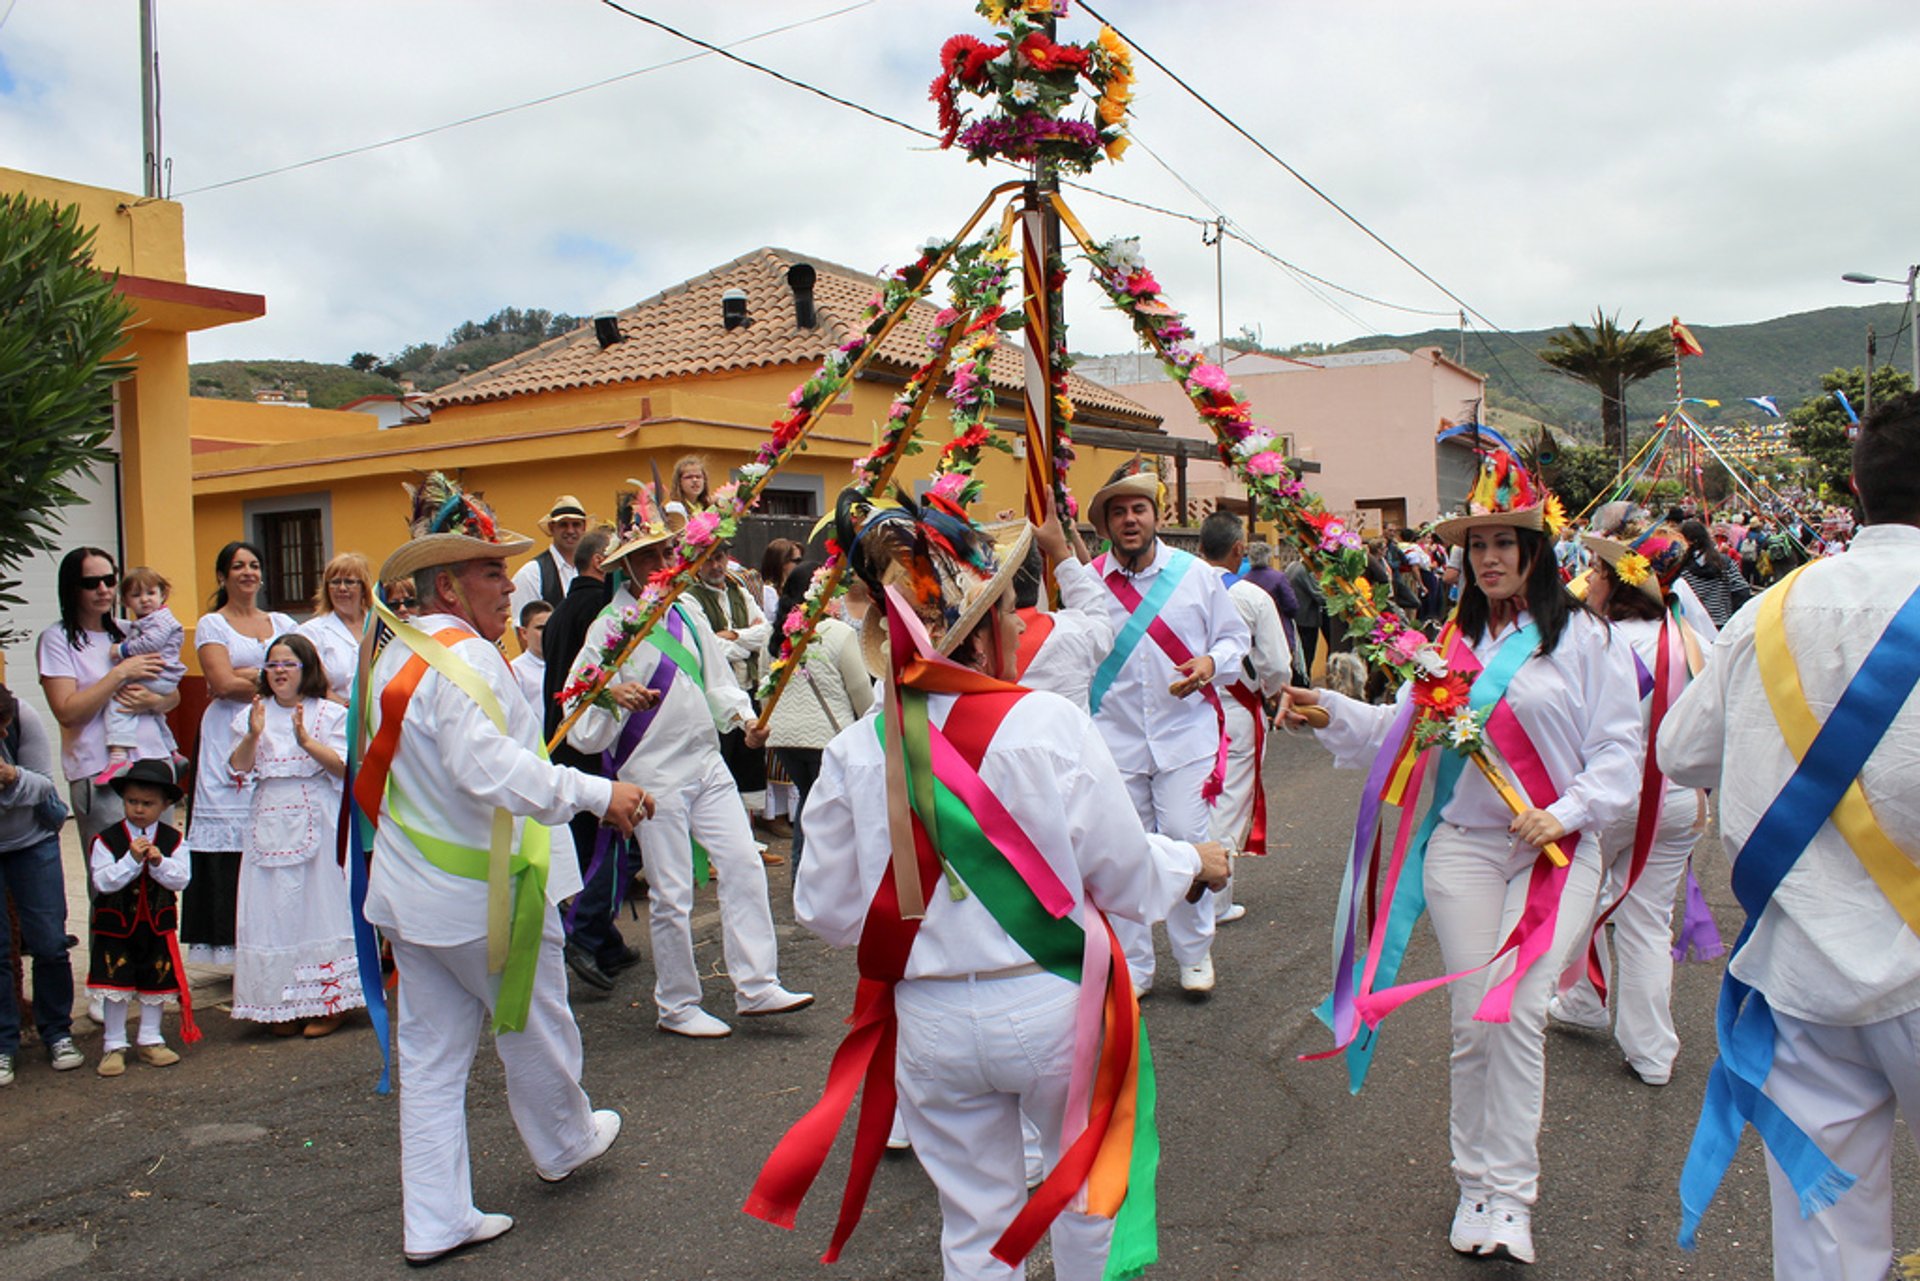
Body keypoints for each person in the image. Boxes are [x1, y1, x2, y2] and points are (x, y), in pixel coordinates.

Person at [752, 487, 1229, 1279]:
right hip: (1051, 1003)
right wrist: (1192, 864)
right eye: (1006, 609)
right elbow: (1122, 875)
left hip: (931, 1021)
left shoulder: (854, 753)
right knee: (1085, 1199)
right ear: (977, 637)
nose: (1014, 623)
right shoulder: (1046, 726)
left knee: (975, 1228)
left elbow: (829, 913)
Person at [1285, 446, 1641, 1266]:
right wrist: (1329, 710)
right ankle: (1471, 1183)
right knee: (1470, 1018)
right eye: (1476, 544)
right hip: (1464, 850)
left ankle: (1512, 1194)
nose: (1487, 557)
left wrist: (1565, 812)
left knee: (1515, 1013)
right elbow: (1397, 733)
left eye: (1503, 543)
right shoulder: (1443, 643)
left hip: (1557, 853)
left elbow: (1621, 750)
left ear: (1534, 553)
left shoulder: (1585, 639)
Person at [358, 473, 651, 1265]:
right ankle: (564, 1140)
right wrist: (600, 792)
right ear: (447, 583)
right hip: (488, 895)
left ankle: (435, 1218)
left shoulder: (394, 659)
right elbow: (490, 771)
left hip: (414, 896)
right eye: (492, 571)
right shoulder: (470, 663)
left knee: (428, 1060)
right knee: (535, 1021)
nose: (508, 582)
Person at [1659, 393, 1920, 1281]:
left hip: (1805, 976)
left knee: (1827, 1246)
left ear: (1856, 487)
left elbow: (1681, 750)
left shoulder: (1768, 612)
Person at [565, 500, 812, 1039]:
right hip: (654, 776)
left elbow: (720, 679)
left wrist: (745, 718)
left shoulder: (688, 611)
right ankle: (676, 1004)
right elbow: (575, 720)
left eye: (664, 553)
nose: (659, 564)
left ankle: (757, 985)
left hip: (706, 761)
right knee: (673, 891)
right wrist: (611, 695)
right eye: (647, 556)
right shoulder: (610, 630)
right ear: (623, 567)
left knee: (744, 866)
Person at [1080, 462, 1250, 996]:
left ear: (1155, 516)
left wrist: (1209, 664)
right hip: (1115, 741)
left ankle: (1194, 955)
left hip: (1185, 739)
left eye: (1138, 509)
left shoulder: (1196, 575)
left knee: (1187, 842)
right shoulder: (1087, 586)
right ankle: (1133, 965)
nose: (1130, 520)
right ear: (1105, 526)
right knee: (1125, 853)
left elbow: (1234, 640)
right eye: (1118, 513)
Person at [1548, 531, 1705, 1089]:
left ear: (1619, 582)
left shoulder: (1598, 641)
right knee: (1646, 921)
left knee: (1572, 898)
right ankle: (1651, 1050)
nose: (1588, 577)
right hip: (1673, 798)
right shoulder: (1685, 632)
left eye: (1596, 569)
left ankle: (1573, 998)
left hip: (1608, 796)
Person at [227, 633, 362, 1037]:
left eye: (288, 664)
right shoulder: (254, 713)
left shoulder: (328, 713)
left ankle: (327, 1001)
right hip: (268, 815)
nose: (279, 672)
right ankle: (279, 1003)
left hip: (317, 814)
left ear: (306, 669)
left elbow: (343, 768)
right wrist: (252, 735)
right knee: (273, 909)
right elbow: (238, 768)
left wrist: (306, 741)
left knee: (318, 904)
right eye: (272, 665)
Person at [185, 541, 298, 966]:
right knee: (230, 841)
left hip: (275, 732)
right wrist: (274, 676)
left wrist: (249, 675)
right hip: (225, 738)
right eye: (238, 566)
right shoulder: (213, 624)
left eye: (254, 564)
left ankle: (274, 934)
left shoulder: (283, 621)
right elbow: (221, 681)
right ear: (222, 576)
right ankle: (230, 949)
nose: (247, 572)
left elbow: (304, 670)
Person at [538, 527, 631, 993]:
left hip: (562, 738)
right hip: (594, 739)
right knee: (614, 843)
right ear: (600, 563)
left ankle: (607, 939)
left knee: (592, 844)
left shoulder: (557, 615)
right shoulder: (603, 612)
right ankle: (585, 932)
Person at [38, 547, 180, 849]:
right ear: (72, 588)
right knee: (112, 875)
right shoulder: (57, 639)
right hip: (100, 770)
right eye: (92, 583)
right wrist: (120, 674)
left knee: (161, 871)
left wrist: (151, 701)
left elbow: (173, 695)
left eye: (109, 579)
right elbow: (67, 712)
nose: (104, 589)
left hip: (153, 762)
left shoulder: (133, 632)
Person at [1197, 511, 1291, 927]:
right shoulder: (1251, 597)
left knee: (1184, 800)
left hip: (1180, 709)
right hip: (1233, 711)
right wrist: (1269, 694)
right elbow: (1276, 664)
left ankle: (1176, 887)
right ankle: (1212, 901)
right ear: (1240, 550)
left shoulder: (1180, 590)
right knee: (1228, 799)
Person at [87, 758, 196, 1077]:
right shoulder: (106, 840)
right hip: (115, 927)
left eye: (147, 804)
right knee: (114, 983)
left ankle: (151, 1039)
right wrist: (132, 860)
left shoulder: (174, 840)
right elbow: (103, 882)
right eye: (132, 801)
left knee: (155, 981)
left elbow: (181, 880)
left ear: (164, 805)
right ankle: (113, 1044)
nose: (138, 809)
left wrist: (159, 862)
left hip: (156, 925)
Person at [762, 561, 874, 872]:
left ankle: (806, 876)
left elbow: (763, 688)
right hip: (827, 738)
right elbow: (860, 689)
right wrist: (871, 726)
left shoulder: (773, 634)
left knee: (811, 803)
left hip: (782, 737)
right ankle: (817, 879)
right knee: (828, 810)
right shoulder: (837, 632)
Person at [0, 684, 80, 1084]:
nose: (1, 736)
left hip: (33, 842)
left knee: (49, 941)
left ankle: (58, 1032)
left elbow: (44, 786)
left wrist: (12, 777)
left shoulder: (23, 716)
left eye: (2, 728)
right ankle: (4, 1043)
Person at [687, 542, 774, 838]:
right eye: (709, 559)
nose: (716, 565)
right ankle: (717, 842)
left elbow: (765, 632)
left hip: (746, 689)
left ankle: (748, 838)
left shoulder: (739, 591)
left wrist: (734, 635)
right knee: (721, 764)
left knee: (748, 763)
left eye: (720, 557)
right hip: (714, 700)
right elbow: (708, 647)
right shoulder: (690, 599)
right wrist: (738, 643)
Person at [1010, 508, 1114, 713]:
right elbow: (1097, 613)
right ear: (1038, 571)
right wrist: (1059, 552)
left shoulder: (973, 650)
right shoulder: (1074, 633)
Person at [95, 566, 185, 783]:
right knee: (153, 713)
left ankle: (119, 756)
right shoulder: (149, 620)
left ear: (163, 594)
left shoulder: (160, 620)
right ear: (126, 602)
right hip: (164, 678)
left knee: (119, 704)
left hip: (157, 675)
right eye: (136, 595)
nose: (144, 600)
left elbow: (151, 642)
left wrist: (122, 650)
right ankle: (172, 751)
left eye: (150, 593)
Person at [298, 551, 374, 702]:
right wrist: (349, 710)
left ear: (363, 587)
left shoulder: (378, 625)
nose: (342, 588)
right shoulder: (311, 632)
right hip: (335, 716)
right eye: (335, 582)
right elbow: (313, 685)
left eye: (350, 582)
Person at [508, 494, 591, 622]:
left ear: (584, 527)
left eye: (576, 524)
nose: (570, 530)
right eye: (563, 524)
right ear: (552, 528)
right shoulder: (531, 574)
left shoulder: (592, 569)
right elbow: (524, 633)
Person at [1677, 517, 1750, 628]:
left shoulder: (1681, 567)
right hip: (1722, 623)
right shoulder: (1724, 562)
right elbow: (1741, 590)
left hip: (1694, 625)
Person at [1283, 546, 1327, 683]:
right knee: (1307, 657)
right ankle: (1303, 686)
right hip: (1306, 621)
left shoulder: (1292, 566)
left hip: (1296, 620)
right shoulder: (1304, 571)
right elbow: (1319, 596)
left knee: (1297, 658)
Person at [509, 601, 552, 713]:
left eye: (551, 626)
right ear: (524, 633)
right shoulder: (516, 671)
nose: (548, 633)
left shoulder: (567, 665)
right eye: (541, 628)